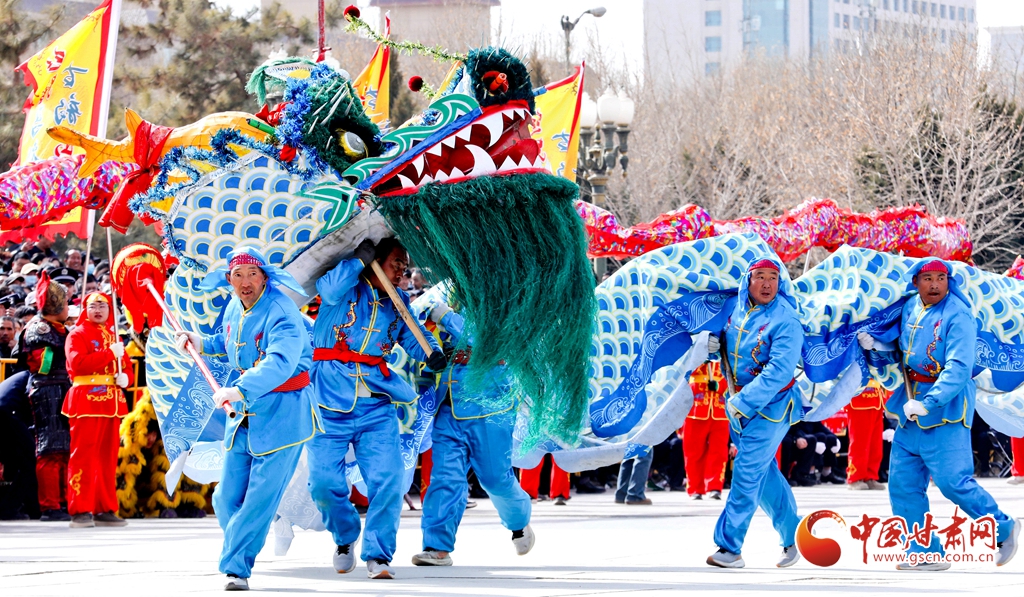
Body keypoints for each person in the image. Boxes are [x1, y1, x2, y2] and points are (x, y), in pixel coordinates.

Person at [859, 259, 1020, 570]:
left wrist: (929, 402)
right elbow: (904, 350)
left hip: (946, 409)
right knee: (903, 484)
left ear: (949, 281)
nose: (934, 284)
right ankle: (924, 551)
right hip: (910, 403)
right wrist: (878, 344)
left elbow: (959, 367)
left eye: (941, 278)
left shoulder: (959, 315)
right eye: (928, 278)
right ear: (915, 282)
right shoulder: (910, 307)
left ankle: (1002, 527)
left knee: (952, 482)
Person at [175, 247, 321, 591]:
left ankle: (236, 566)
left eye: (252, 274)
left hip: (284, 414)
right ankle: (251, 534)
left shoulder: (283, 311)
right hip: (243, 414)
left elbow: (280, 362)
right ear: (229, 279)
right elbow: (229, 341)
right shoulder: (234, 306)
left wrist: (239, 389)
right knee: (224, 498)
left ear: (264, 277)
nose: (245, 282)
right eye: (238, 276)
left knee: (258, 499)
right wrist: (200, 342)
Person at [306, 238, 445, 580]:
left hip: (376, 405)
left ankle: (378, 554)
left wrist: (432, 353)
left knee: (389, 480)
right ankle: (345, 536)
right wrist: (358, 260)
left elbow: (414, 337)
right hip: (327, 401)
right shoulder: (344, 289)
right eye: (396, 264)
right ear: (375, 262)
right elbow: (327, 287)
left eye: (405, 267)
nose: (401, 272)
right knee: (323, 484)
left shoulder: (398, 303)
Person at [411, 298, 534, 567]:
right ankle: (436, 547)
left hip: (491, 405)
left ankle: (518, 522)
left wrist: (447, 318)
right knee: (445, 479)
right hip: (449, 404)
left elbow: (488, 342)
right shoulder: (447, 299)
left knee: (494, 479)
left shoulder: (506, 299)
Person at [706, 258, 803, 569]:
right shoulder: (734, 310)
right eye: (760, 276)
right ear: (747, 281)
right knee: (763, 476)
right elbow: (731, 355)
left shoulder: (786, 318)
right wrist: (712, 346)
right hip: (737, 404)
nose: (766, 283)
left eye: (773, 277)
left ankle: (729, 547)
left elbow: (779, 371)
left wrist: (744, 401)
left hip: (772, 406)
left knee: (747, 472)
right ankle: (795, 536)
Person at [62, 292, 133, 528]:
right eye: (94, 306)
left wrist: (126, 378)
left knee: (107, 459)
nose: (99, 310)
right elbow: (78, 364)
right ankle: (80, 509)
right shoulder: (77, 334)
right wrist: (109, 354)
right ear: (85, 309)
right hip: (86, 402)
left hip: (111, 404)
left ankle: (105, 507)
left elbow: (127, 368)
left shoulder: (114, 336)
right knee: (83, 456)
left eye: (103, 306)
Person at [14, 272, 72, 522]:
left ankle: (65, 501)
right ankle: (50, 505)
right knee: (50, 449)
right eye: (65, 302)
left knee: (66, 449)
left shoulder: (61, 328)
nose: (68, 307)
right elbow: (44, 365)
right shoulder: (40, 329)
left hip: (64, 388)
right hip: (47, 389)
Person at [684, 361, 730, 500]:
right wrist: (698, 361)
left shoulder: (726, 357)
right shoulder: (693, 357)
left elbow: (734, 382)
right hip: (695, 411)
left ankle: (714, 487)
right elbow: (684, 377)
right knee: (693, 453)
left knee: (719, 453)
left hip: (720, 412)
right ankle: (695, 488)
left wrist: (720, 386)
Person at [846, 380, 888, 490]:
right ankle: (855, 477)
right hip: (859, 397)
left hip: (876, 398)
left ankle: (870, 476)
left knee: (875, 444)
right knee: (859, 443)